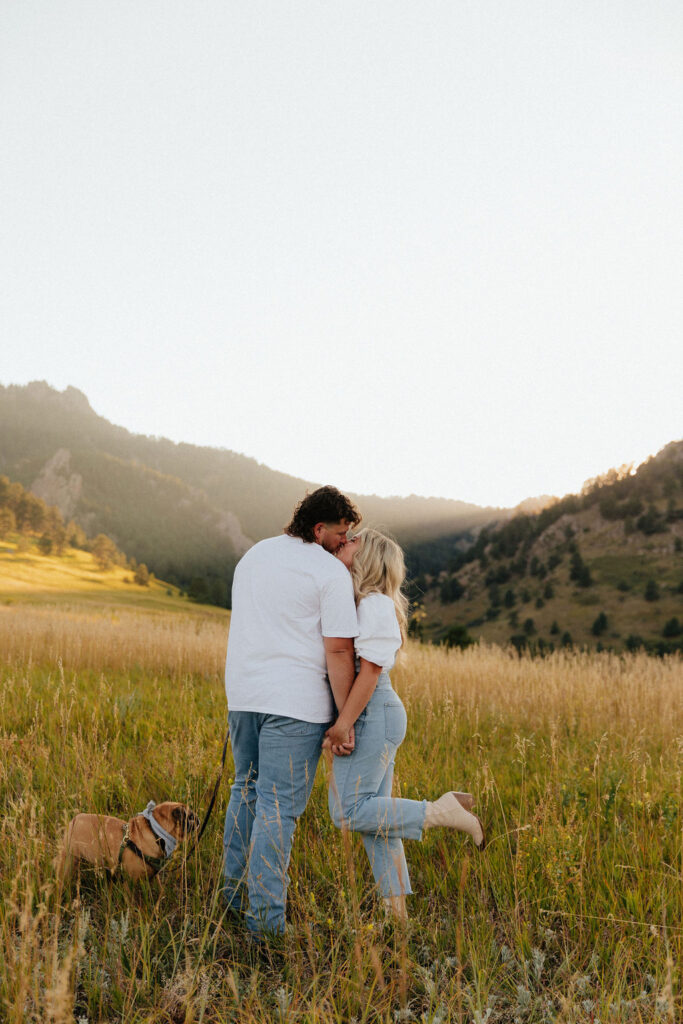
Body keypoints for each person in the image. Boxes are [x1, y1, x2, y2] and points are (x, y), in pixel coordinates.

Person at [325, 528, 485, 921]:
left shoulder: (376, 603)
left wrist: (343, 724)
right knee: (376, 819)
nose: (346, 541)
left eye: (354, 540)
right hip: (378, 711)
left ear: (370, 558)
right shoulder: (367, 602)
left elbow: (371, 672)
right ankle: (397, 917)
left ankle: (442, 811)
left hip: (373, 710)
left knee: (347, 812)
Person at [222, 485, 361, 938]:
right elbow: (339, 650)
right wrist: (345, 720)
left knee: (245, 788)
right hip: (295, 703)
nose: (347, 543)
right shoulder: (328, 571)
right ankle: (264, 927)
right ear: (320, 529)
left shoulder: (255, 556)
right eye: (342, 534)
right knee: (277, 810)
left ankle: (232, 899)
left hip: (243, 695)